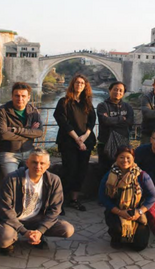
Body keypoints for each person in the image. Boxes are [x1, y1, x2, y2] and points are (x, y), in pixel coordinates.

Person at [0, 148, 74, 254]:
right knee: (4, 239)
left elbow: (55, 209)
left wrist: (40, 231)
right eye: (34, 162)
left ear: (48, 165)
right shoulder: (12, 179)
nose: (38, 166)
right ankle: (12, 239)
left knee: (67, 229)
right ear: (27, 163)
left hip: (37, 219)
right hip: (15, 219)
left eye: (42, 163)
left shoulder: (54, 181)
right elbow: (5, 208)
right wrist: (24, 231)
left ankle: (37, 235)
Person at [99, 146, 155, 251]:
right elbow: (102, 197)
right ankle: (116, 234)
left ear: (133, 158)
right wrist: (119, 212)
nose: (125, 160)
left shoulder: (141, 176)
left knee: (139, 246)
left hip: (136, 212)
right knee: (117, 232)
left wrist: (139, 212)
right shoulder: (109, 176)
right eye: (121, 157)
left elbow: (153, 196)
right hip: (117, 211)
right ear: (116, 158)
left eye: (128, 157)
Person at [53, 74, 96, 211]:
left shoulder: (87, 104)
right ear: (72, 84)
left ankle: (74, 199)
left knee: (81, 171)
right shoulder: (64, 102)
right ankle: (60, 202)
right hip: (68, 142)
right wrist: (77, 139)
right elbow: (62, 122)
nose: (79, 85)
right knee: (69, 170)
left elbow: (91, 122)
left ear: (85, 86)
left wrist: (84, 137)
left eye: (82, 83)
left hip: (86, 141)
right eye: (77, 82)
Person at [0, 82, 43, 176]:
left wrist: (16, 130)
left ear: (28, 97)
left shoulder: (33, 112)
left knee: (36, 177)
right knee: (12, 179)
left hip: (29, 152)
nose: (20, 99)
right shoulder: (2, 111)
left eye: (23, 96)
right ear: (12, 96)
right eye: (17, 95)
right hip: (8, 153)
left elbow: (39, 132)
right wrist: (29, 133)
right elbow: (3, 134)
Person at [96, 81, 134, 175]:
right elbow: (105, 121)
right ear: (110, 90)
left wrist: (112, 120)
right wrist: (121, 119)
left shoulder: (127, 107)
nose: (118, 92)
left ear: (123, 93)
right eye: (115, 89)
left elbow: (130, 122)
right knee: (104, 172)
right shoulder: (102, 106)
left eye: (121, 90)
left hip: (122, 146)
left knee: (122, 171)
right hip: (105, 144)